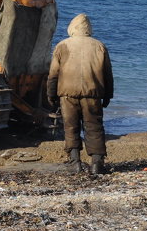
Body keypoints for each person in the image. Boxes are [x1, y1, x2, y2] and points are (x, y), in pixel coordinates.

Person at [47, 13, 114, 176]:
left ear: (72, 28)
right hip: (93, 94)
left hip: (67, 94)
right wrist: (108, 95)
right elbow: (107, 74)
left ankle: (75, 162)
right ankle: (97, 163)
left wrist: (51, 95)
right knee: (94, 127)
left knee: (70, 127)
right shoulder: (99, 46)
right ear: (88, 28)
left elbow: (53, 74)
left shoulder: (62, 46)